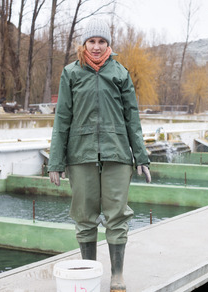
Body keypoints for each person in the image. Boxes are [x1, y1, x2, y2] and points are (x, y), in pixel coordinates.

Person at [48, 18, 151, 292]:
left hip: (116, 153)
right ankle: (88, 272)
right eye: (91, 41)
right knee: (84, 216)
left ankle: (117, 274)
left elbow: (132, 118)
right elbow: (62, 119)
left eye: (101, 41)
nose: (96, 47)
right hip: (80, 156)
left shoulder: (120, 73)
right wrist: (55, 162)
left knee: (117, 214)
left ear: (109, 44)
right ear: (84, 43)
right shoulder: (71, 73)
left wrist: (140, 157)